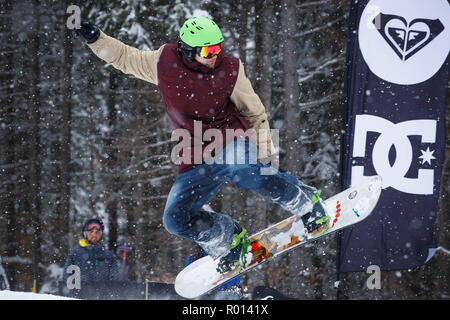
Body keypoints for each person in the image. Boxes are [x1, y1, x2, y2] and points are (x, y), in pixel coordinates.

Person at [75, 17, 330, 275]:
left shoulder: (230, 69)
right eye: (208, 51)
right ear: (187, 50)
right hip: (195, 155)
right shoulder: (164, 63)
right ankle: (225, 238)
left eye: (218, 48)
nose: (215, 56)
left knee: (245, 171)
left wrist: (265, 158)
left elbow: (254, 111)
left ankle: (306, 202)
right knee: (174, 219)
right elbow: (124, 57)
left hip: (230, 139)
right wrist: (96, 39)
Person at [63, 218, 119, 283]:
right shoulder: (74, 254)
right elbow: (67, 280)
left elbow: (114, 282)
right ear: (85, 234)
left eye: (97, 232)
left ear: (101, 234)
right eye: (91, 232)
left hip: (102, 292)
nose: (94, 235)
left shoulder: (109, 256)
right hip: (81, 292)